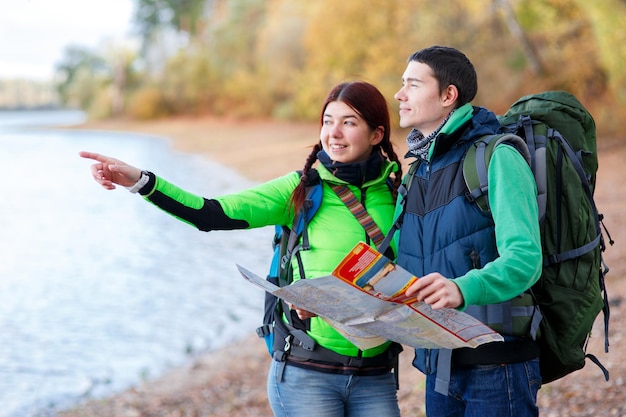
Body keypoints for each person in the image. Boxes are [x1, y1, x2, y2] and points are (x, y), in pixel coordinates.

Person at [80, 81, 404, 417]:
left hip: (376, 376)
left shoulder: (400, 195)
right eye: (327, 121)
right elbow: (210, 213)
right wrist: (140, 181)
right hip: (308, 374)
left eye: (348, 122)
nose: (333, 133)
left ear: (376, 134)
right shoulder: (300, 190)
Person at [393, 46, 543, 416]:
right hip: (437, 365)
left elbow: (525, 259)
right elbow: (397, 265)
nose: (399, 94)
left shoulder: (497, 157)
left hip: (497, 364)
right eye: (401, 85)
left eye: (412, 84)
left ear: (448, 95)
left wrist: (462, 287)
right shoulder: (416, 174)